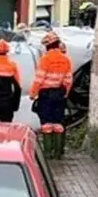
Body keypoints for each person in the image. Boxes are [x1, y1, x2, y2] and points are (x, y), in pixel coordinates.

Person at [29, 30, 73, 158]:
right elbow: (68, 80)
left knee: (47, 122)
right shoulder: (66, 59)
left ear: (48, 46)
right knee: (58, 122)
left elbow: (39, 78)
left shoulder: (45, 59)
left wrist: (33, 93)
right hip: (60, 93)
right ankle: (58, 153)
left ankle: (48, 153)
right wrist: (65, 93)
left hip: (46, 94)